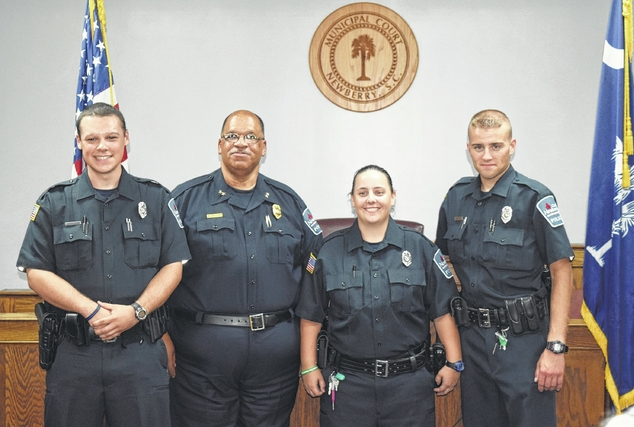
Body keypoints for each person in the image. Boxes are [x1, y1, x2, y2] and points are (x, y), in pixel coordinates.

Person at [16, 102, 191, 427]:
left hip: (139, 352)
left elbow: (173, 266)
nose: (102, 147)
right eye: (92, 139)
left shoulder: (155, 200)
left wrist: (136, 311)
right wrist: (91, 311)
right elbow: (36, 272)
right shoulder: (54, 202)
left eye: (111, 137)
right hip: (73, 356)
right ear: (79, 142)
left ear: (126, 139)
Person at [167, 109, 323, 427]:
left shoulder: (289, 203)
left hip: (274, 362)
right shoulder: (185, 201)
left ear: (263, 147)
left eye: (251, 137)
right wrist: (161, 338)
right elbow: (157, 270)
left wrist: (306, 353)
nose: (241, 143)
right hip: (201, 360)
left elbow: (315, 269)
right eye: (232, 136)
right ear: (220, 145)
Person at [435, 109, 574, 427]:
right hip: (472, 339)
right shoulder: (456, 198)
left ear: (512, 145)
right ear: (468, 148)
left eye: (496, 146)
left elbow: (562, 271)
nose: (486, 155)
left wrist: (555, 346)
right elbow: (442, 266)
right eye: (478, 147)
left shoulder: (534, 198)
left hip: (524, 341)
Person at [297, 164, 462, 427]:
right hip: (348, 385)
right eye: (362, 193)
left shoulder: (421, 248)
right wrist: (308, 367)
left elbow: (442, 311)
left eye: (378, 191)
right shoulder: (328, 251)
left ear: (392, 196)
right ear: (352, 200)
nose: (370, 199)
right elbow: (311, 315)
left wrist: (455, 364)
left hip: (409, 386)